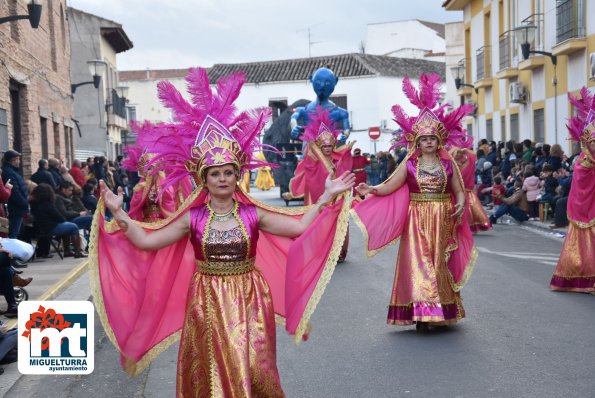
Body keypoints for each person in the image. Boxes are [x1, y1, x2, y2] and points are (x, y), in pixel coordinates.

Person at [90, 68, 354, 396]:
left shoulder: (253, 214)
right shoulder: (193, 218)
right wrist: (117, 212)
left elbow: (299, 226)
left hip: (250, 297)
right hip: (206, 300)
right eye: (215, 174)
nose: (223, 179)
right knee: (214, 367)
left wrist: (326, 196)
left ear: (236, 175)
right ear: (205, 179)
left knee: (255, 366)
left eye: (229, 172)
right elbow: (146, 240)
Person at [352, 73, 476, 332]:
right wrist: (371, 189)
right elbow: (389, 185)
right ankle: (423, 313)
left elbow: (459, 190)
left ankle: (440, 310)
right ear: (417, 142)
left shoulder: (447, 164)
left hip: (442, 217)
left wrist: (462, 203)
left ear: (438, 141)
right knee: (419, 263)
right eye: (424, 140)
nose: (428, 143)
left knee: (438, 262)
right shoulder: (408, 165)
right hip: (417, 218)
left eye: (432, 139)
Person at [283, 106, 353, 262]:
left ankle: (339, 252)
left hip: (336, 197)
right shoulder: (313, 159)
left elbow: (344, 170)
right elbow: (310, 172)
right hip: (319, 197)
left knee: (339, 221)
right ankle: (319, 250)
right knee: (319, 222)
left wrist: (347, 150)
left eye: (330, 146)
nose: (328, 149)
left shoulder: (336, 157)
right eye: (325, 146)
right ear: (320, 146)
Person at [550, 88, 595, 293]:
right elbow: (581, 186)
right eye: (592, 144)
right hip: (585, 211)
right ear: (586, 143)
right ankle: (582, 277)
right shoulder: (582, 163)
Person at [29, 183, 87, 258]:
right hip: (50, 228)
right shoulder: (48, 204)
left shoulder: (34, 204)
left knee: (67, 227)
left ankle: (67, 251)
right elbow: (60, 218)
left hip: (40, 228)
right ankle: (77, 252)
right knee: (74, 227)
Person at [452, 144, 492, 232]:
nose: (458, 154)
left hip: (467, 191)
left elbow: (473, 155)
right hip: (456, 193)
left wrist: (464, 150)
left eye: (459, 152)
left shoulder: (466, 163)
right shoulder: (451, 165)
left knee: (471, 212)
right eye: (456, 152)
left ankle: (468, 228)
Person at [1, 151, 28, 241]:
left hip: (18, 208)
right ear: (13, 160)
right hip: (15, 209)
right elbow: (15, 192)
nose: (19, 161)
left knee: (18, 233)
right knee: (14, 235)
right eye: (17, 159)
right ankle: (11, 254)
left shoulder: (12, 171)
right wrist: (24, 203)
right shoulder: (9, 172)